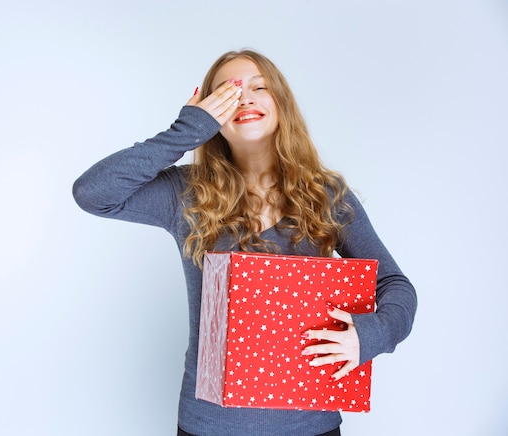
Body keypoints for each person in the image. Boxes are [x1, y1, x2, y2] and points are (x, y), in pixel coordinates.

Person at [72, 49, 417, 436]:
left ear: (281, 103)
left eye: (259, 87)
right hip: (208, 425)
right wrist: (185, 131)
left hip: (311, 424)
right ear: (210, 111)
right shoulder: (186, 192)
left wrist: (370, 336)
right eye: (229, 91)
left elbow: (395, 286)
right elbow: (92, 193)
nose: (246, 98)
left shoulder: (326, 194)